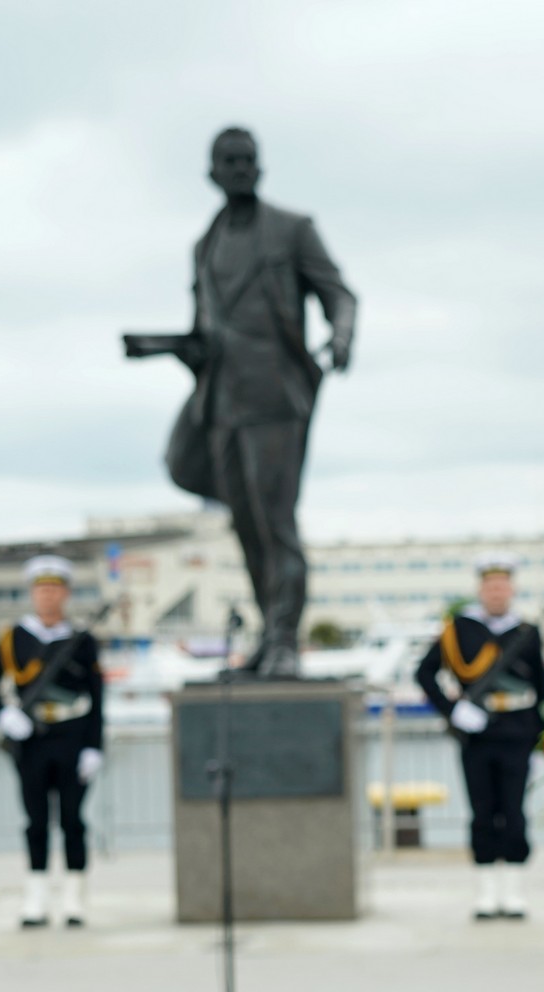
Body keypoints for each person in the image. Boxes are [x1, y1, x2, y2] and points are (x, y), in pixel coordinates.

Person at [122, 126, 357, 679]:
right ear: (212, 173)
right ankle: (267, 635)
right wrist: (168, 347)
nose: (240, 168)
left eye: (247, 159)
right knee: (246, 528)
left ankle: (285, 642)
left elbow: (340, 294)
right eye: (229, 161)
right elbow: (208, 333)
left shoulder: (293, 230)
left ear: (260, 166)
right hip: (222, 402)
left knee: (276, 524)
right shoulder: (204, 246)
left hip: (275, 397)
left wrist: (340, 337)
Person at [416, 554, 544, 920]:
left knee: (515, 809)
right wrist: (451, 710)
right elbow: (425, 673)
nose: (496, 593)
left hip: (518, 730)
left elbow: (540, 686)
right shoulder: (459, 629)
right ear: (481, 589)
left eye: (502, 586)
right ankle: (487, 891)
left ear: (511, 589)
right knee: (482, 810)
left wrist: (541, 732)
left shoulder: (526, 630)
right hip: (477, 735)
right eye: (490, 586)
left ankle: (514, 890)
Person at [0, 556, 104, 928]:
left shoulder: (82, 641)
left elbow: (97, 697)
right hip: (31, 740)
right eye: (41, 589)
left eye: (55, 589)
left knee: (72, 819)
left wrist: (95, 746)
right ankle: (35, 895)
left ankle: (74, 896)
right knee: (35, 818)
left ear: (65, 594)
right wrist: (3, 714)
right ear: (33, 593)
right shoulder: (13, 637)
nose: (48, 597)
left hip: (72, 736)